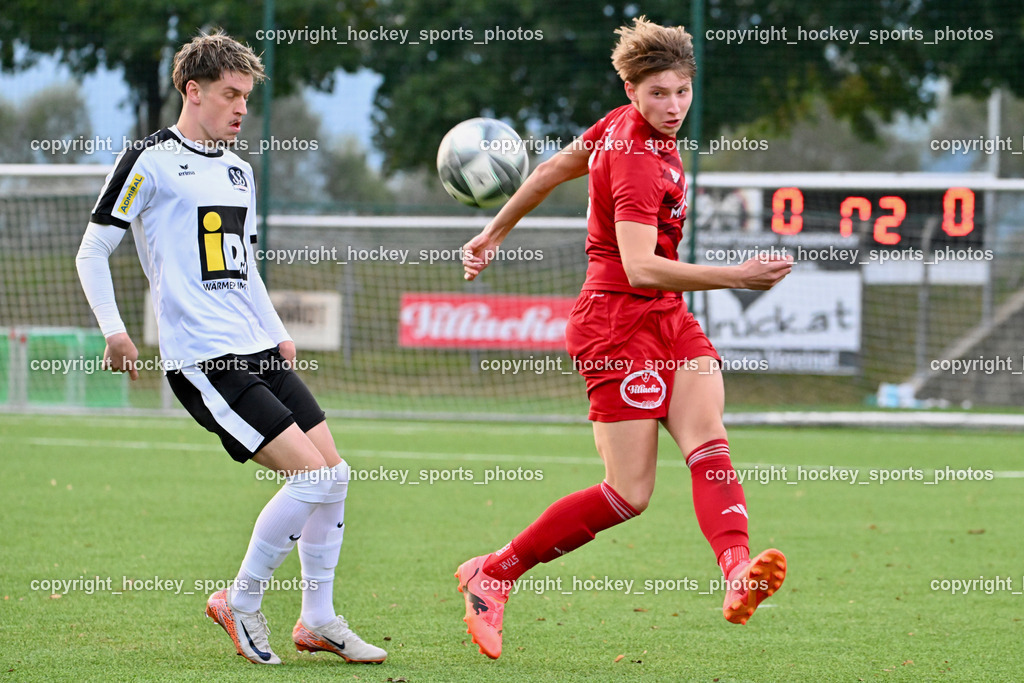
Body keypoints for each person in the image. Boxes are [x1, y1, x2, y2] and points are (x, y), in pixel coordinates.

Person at [455, 17, 793, 659]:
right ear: (632, 90)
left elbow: (551, 168)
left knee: (709, 440)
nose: (673, 106)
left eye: (682, 91)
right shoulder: (636, 158)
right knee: (629, 493)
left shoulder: (619, 124)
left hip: (667, 316)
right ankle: (493, 572)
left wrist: (494, 232)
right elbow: (639, 267)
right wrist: (739, 277)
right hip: (616, 324)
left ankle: (736, 573)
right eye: (658, 93)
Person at [75, 30, 386, 666]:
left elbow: (244, 270)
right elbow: (93, 250)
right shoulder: (149, 159)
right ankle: (240, 601)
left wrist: (277, 331)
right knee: (312, 476)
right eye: (230, 94)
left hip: (257, 347)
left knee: (335, 476)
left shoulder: (240, 171)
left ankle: (318, 620)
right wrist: (114, 329)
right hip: (204, 357)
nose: (242, 108)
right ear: (193, 91)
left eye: (246, 96)